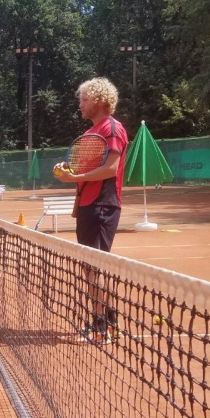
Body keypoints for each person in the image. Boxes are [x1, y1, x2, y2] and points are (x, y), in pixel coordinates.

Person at [54, 77, 129, 342]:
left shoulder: (111, 128)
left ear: (98, 100)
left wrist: (74, 177)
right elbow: (86, 169)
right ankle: (107, 323)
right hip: (87, 206)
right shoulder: (89, 133)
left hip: (102, 206)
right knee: (91, 267)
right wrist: (68, 171)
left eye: (84, 99)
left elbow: (110, 169)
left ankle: (102, 327)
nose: (80, 104)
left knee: (95, 267)